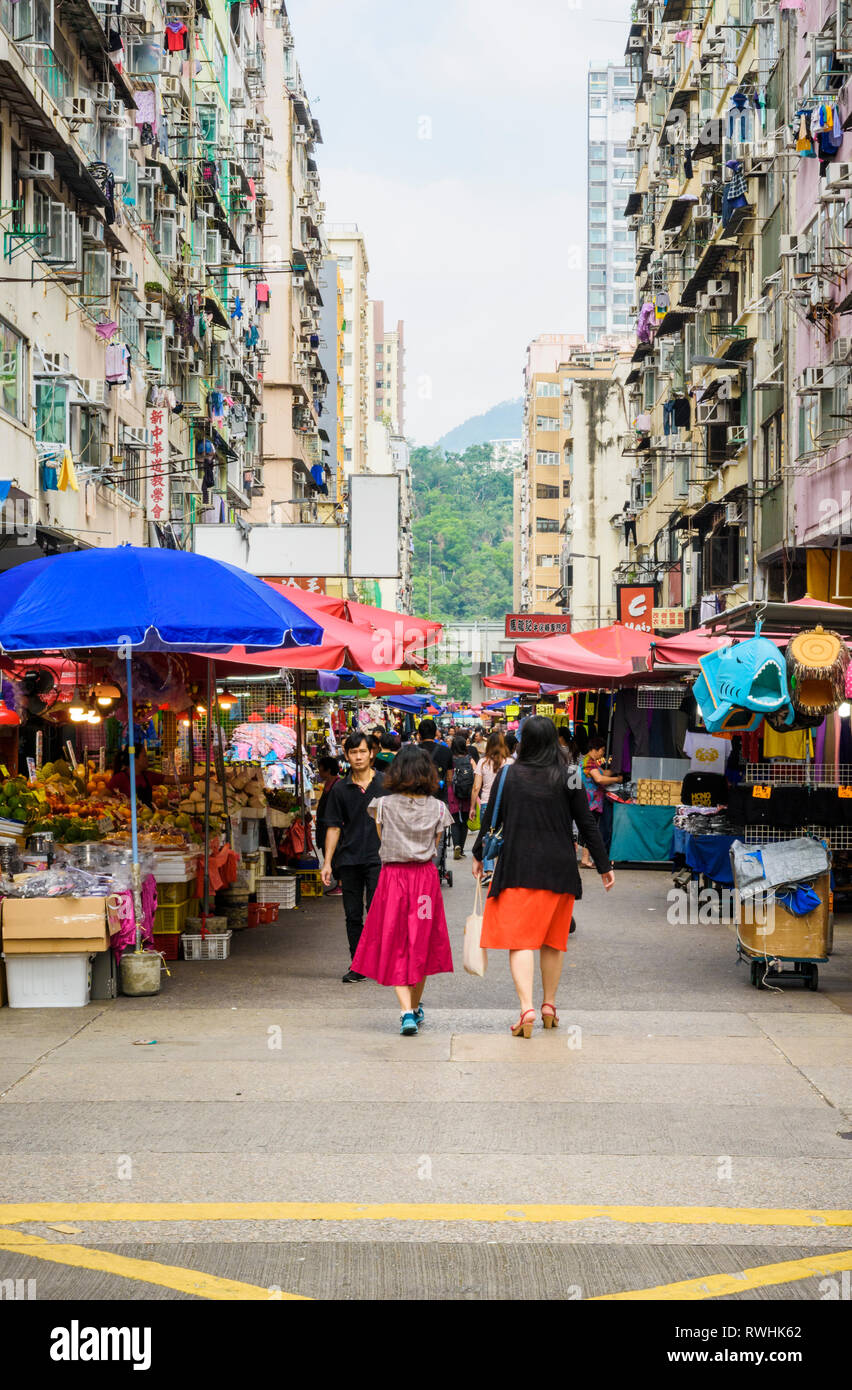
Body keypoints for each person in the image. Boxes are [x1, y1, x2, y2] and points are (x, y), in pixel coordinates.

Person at [472, 716, 614, 1038]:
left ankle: (527, 1008)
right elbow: (586, 823)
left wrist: (479, 855)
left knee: (520, 940)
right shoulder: (571, 774)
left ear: (523, 742)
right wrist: (604, 866)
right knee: (553, 941)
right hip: (559, 867)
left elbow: (491, 816)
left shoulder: (508, 774)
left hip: (518, 866)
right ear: (553, 742)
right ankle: (549, 1005)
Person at [351, 745, 454, 1035]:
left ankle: (407, 1011)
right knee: (420, 941)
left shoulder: (381, 805)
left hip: (392, 879)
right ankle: (414, 1006)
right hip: (424, 881)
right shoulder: (439, 808)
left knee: (396, 941)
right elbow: (435, 845)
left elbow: (382, 838)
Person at [321, 731, 387, 983]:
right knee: (352, 914)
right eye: (353, 752)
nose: (358, 757)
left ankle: (377, 960)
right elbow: (333, 827)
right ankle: (358, 964)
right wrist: (327, 862)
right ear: (346, 756)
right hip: (348, 859)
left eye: (362, 751)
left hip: (379, 858)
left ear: (371, 753)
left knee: (376, 911)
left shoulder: (386, 784)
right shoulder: (340, 789)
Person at [578, 736, 622, 869]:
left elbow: (604, 773)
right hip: (590, 802)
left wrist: (616, 770)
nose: (603, 753)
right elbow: (599, 779)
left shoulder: (592, 762)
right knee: (589, 830)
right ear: (595, 750)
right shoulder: (589, 762)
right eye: (602, 750)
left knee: (589, 830)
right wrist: (617, 779)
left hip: (593, 802)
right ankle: (585, 859)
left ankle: (586, 858)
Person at [315, 756, 342, 895]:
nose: (319, 772)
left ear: (328, 770)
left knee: (336, 854)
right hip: (324, 825)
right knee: (329, 854)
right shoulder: (328, 784)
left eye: (321, 769)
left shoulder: (338, 786)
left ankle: (341, 884)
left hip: (332, 827)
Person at [447, 732, 476, 860]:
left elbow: (447, 776)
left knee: (454, 820)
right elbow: (476, 775)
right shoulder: (470, 759)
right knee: (464, 820)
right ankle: (462, 849)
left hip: (452, 791)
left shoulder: (450, 759)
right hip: (467, 791)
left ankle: (456, 846)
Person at [471, 730, 508, 818]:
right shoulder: (510, 761)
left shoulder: (483, 762)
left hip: (487, 803)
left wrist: (472, 807)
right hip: (506, 803)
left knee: (487, 831)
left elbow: (476, 787)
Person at [417, 717, 452, 801]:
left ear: (419, 734)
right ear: (436, 732)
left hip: (418, 795)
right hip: (439, 795)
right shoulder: (446, 750)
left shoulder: (412, 751)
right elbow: (449, 778)